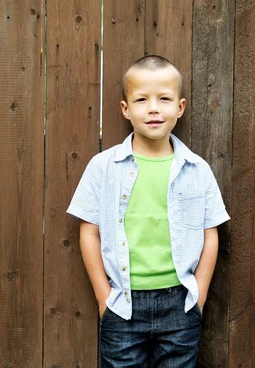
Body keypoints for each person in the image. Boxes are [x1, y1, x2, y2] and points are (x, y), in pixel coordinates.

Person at [67, 55, 230, 367]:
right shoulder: (104, 167)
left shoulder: (196, 169)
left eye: (164, 99)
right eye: (142, 99)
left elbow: (211, 235)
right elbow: (89, 232)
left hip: (180, 303)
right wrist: (105, 299)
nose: (153, 108)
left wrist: (200, 297)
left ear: (180, 108)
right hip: (123, 304)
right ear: (126, 109)